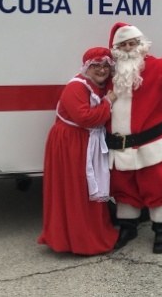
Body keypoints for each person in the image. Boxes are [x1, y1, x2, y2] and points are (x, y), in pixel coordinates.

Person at [106, 22, 162, 254]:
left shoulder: (157, 67)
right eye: (123, 44)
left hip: (151, 144)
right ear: (116, 48)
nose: (128, 48)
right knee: (123, 188)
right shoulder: (110, 73)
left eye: (132, 43)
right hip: (119, 146)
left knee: (157, 187)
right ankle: (128, 227)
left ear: (141, 44)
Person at [38, 47, 119, 255]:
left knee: (86, 190)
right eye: (96, 66)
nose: (101, 70)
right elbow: (86, 118)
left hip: (84, 142)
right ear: (86, 67)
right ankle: (77, 239)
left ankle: (89, 234)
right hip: (71, 143)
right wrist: (109, 102)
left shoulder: (95, 86)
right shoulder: (76, 87)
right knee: (76, 190)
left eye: (105, 66)